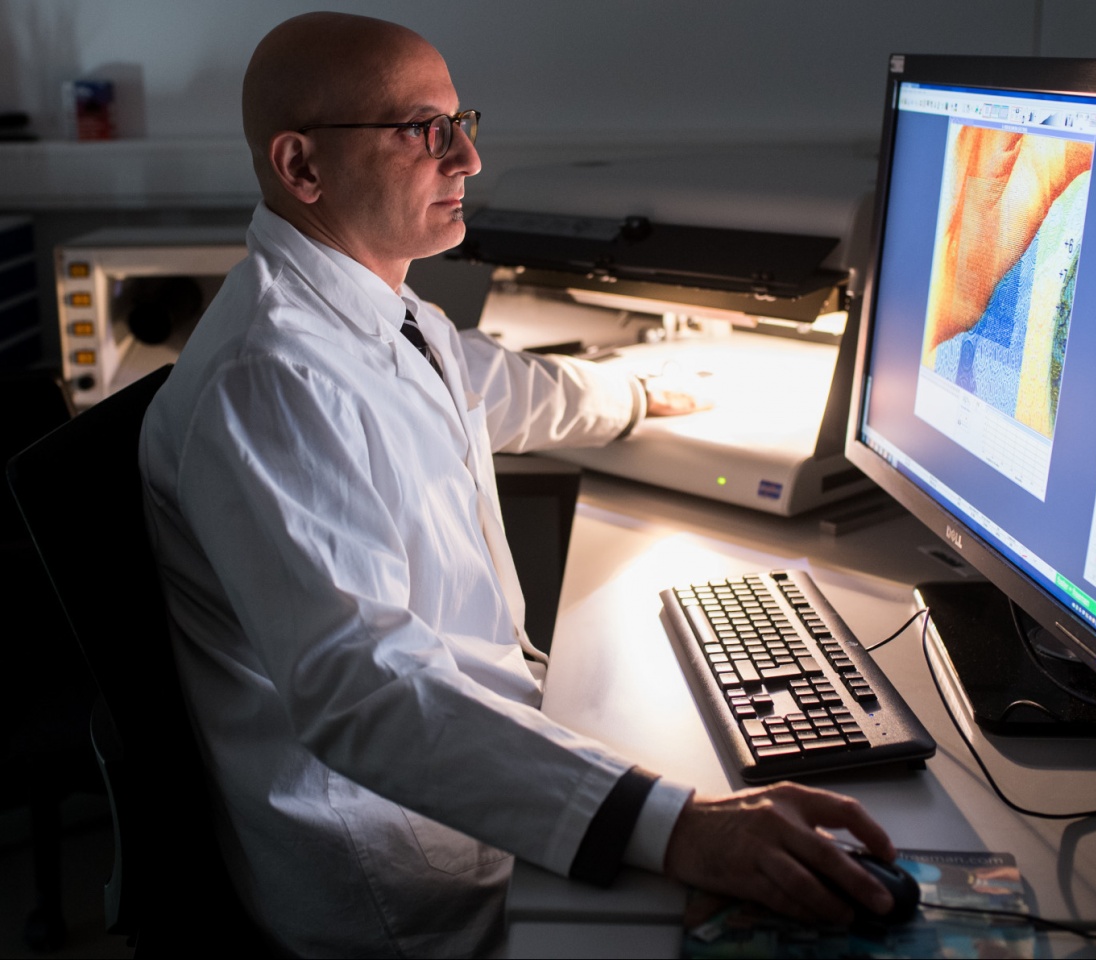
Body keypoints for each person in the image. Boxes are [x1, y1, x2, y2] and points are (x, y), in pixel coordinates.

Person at [139, 12, 899, 957]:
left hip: (468, 767)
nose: (468, 158)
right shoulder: (271, 377)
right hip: (405, 867)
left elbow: (481, 385)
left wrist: (636, 393)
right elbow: (366, 693)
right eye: (423, 131)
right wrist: (678, 827)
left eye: (461, 122)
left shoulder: (368, 304)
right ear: (303, 167)